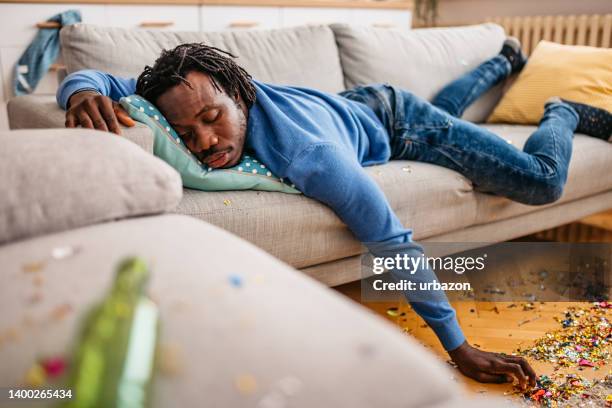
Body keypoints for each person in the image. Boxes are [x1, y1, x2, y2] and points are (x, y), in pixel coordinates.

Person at [55, 38, 610, 388]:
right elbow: (105, 81)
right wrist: (79, 92)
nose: (203, 141)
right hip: (364, 103)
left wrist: (457, 345)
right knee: (442, 108)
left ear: (239, 94)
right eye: (185, 131)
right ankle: (501, 62)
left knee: (542, 180)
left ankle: (560, 110)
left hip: (401, 124)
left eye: (212, 118)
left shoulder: (311, 157)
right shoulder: (186, 90)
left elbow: (391, 242)